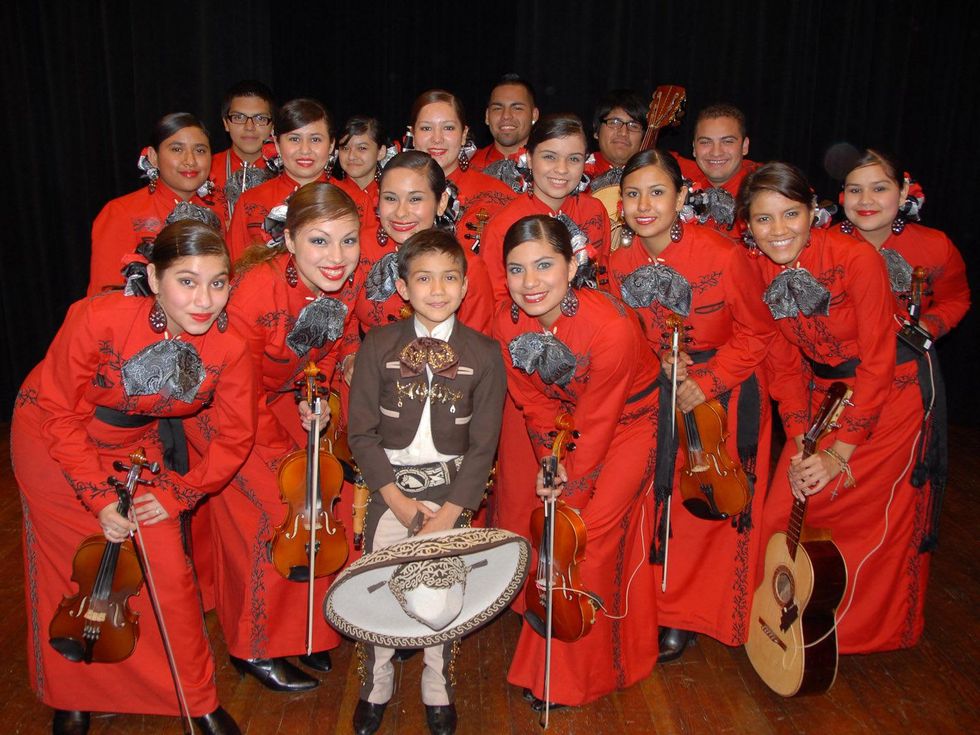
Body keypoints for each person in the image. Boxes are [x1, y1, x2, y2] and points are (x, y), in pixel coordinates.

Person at [12, 220, 254, 735]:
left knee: (167, 569)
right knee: (72, 564)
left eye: (218, 282)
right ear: (154, 276)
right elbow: (56, 410)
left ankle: (198, 700)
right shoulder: (96, 317)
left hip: (133, 446)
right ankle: (71, 694)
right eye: (186, 281)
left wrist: (179, 494)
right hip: (52, 438)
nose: (204, 300)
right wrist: (97, 498)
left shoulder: (231, 346)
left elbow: (235, 437)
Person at [740, 162, 935, 652]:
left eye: (790, 214)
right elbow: (783, 365)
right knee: (780, 512)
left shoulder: (856, 259)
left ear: (813, 213)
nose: (778, 230)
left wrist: (838, 453)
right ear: (748, 224)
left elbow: (878, 363)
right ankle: (785, 624)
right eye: (763, 219)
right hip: (819, 399)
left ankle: (854, 636)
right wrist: (802, 435)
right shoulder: (756, 270)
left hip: (889, 400)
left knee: (865, 525)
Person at [607, 149, 775, 661]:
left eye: (657, 192)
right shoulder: (617, 264)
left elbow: (758, 332)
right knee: (662, 503)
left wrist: (710, 378)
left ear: (682, 197)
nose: (644, 204)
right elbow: (628, 340)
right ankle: (656, 606)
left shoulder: (724, 255)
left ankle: (695, 615)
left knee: (711, 510)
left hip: (724, 396)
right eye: (632, 193)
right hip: (659, 391)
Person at [495, 214, 660, 708]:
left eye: (545, 266)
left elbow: (603, 420)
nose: (530, 283)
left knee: (583, 535)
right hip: (572, 422)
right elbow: (535, 402)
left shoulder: (609, 325)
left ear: (573, 265)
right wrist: (551, 460)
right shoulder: (509, 321)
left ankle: (572, 678)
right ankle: (556, 660)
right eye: (516, 269)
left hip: (634, 423)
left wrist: (571, 486)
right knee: (554, 527)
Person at [348, 229, 506, 735]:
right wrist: (394, 501)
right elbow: (361, 433)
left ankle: (436, 683)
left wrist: (449, 514)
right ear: (402, 287)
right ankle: (378, 681)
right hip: (389, 490)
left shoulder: (484, 353)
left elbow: (484, 446)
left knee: (441, 591)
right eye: (423, 278)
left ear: (464, 288)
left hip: (449, 493)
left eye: (449, 278)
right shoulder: (379, 343)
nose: (437, 289)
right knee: (378, 589)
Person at [209, 182, 363, 691]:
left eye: (348, 240)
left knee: (323, 506)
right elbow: (237, 389)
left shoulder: (345, 280)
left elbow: (332, 351)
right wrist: (282, 458)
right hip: (227, 411)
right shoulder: (257, 288)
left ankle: (304, 633)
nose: (337, 257)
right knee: (277, 512)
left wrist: (316, 396)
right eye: (320, 241)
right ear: (290, 241)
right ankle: (252, 647)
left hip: (281, 401)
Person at [354, 150, 495, 336]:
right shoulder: (356, 248)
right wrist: (351, 354)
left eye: (415, 199)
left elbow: (477, 348)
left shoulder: (468, 267)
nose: (401, 213)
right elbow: (343, 314)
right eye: (390, 198)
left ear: (442, 202)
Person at [838, 149, 970, 339]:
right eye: (855, 190)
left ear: (902, 192)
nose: (865, 200)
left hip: (905, 361)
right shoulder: (819, 246)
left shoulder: (935, 246)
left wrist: (924, 328)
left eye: (879, 188)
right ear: (843, 196)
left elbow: (955, 299)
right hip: (838, 364)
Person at [88, 113, 219, 296]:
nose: (190, 160)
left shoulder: (218, 213)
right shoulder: (121, 212)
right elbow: (105, 295)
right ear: (153, 157)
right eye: (176, 149)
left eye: (200, 150)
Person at [407, 89, 515, 256]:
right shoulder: (392, 196)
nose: (437, 138)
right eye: (426, 128)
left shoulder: (497, 195)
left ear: (464, 135)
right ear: (412, 134)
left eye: (448, 128)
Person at [227, 98, 335, 261]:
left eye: (315, 139)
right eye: (294, 139)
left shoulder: (355, 200)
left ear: (332, 145)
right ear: (277, 143)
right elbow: (234, 267)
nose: (305, 150)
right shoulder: (250, 200)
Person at [675, 103, 757, 233]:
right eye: (705, 142)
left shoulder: (766, 188)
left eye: (727, 141)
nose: (716, 152)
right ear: (694, 148)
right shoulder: (678, 173)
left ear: (745, 146)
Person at [210, 80, 276, 224]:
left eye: (260, 118)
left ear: (272, 125)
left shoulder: (286, 171)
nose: (249, 127)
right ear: (226, 123)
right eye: (239, 117)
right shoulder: (205, 170)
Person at [469, 74, 539, 171]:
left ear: (534, 115)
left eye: (517, 108)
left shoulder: (547, 168)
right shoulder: (466, 166)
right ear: (487, 116)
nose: (506, 116)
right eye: (497, 108)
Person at [334, 115, 389, 222]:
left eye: (362, 148)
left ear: (381, 152)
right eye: (345, 148)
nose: (351, 156)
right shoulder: (330, 193)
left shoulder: (391, 194)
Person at [585, 89, 647, 179]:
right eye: (614, 122)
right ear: (596, 131)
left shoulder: (660, 171)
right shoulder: (577, 172)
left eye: (634, 126)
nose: (623, 133)